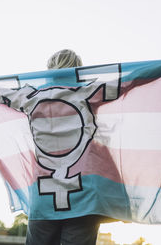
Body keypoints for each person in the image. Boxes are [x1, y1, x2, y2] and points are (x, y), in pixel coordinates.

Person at [24, 49, 104, 245]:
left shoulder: (31, 98)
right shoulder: (90, 94)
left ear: (49, 70)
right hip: (83, 196)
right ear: (78, 70)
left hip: (43, 197)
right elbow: (131, 83)